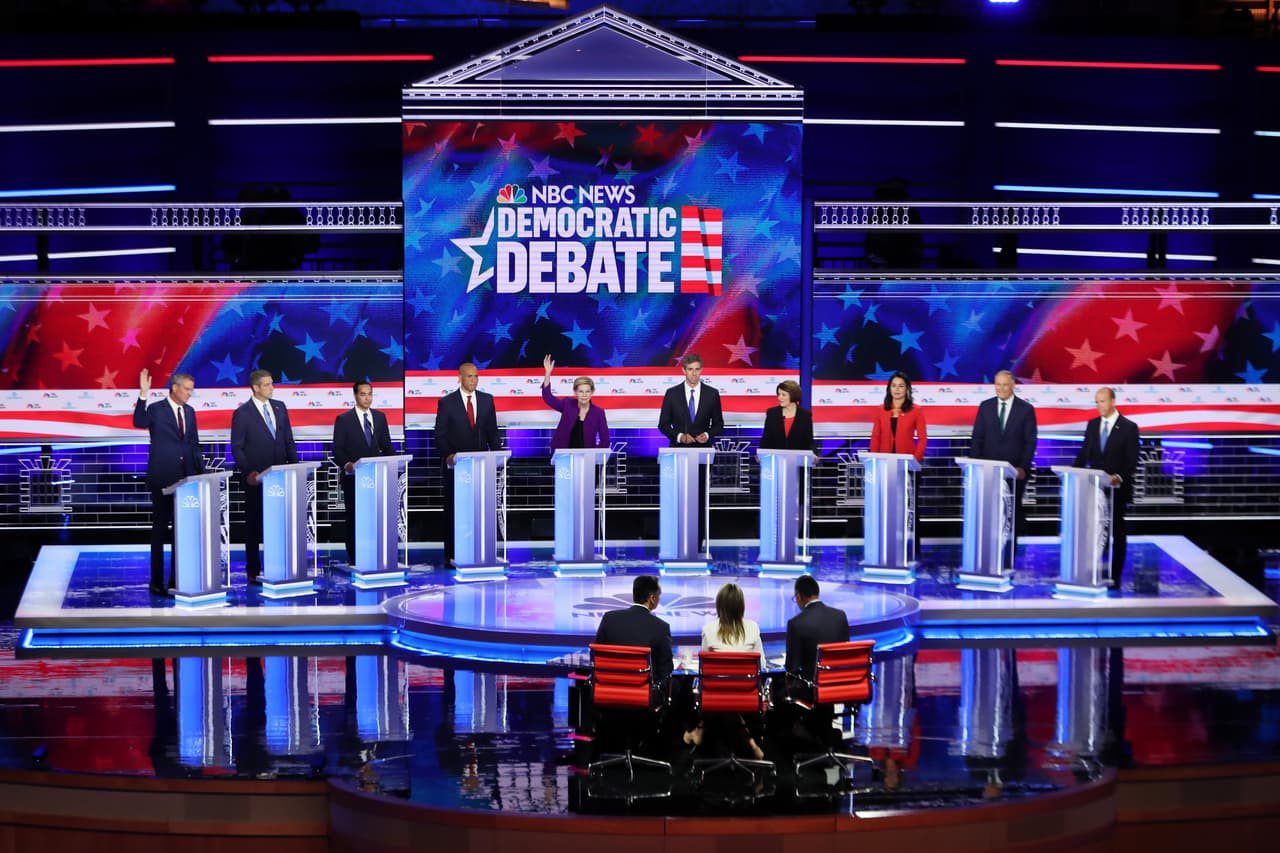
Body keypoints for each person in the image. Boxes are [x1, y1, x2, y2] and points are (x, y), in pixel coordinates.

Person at [133, 368, 204, 597]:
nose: (189, 394)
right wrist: (143, 394)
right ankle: (156, 582)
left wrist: (201, 475)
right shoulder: (156, 409)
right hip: (162, 479)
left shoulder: (190, 412)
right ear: (174, 388)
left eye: (191, 390)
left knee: (180, 533)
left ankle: (176, 581)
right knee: (160, 530)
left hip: (186, 481)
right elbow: (139, 421)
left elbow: (194, 445)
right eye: (186, 389)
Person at [230, 369, 298, 586]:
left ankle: (278, 566)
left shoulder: (280, 407)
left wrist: (294, 467)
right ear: (256, 388)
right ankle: (253, 569)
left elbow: (288, 440)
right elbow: (237, 447)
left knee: (279, 524)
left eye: (272, 383)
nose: (272, 388)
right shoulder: (243, 413)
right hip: (256, 479)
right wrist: (249, 472)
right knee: (254, 526)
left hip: (280, 478)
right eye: (267, 385)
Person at [434, 361, 501, 566]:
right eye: (469, 376)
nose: (473, 380)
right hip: (457, 467)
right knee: (455, 510)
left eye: (476, 376)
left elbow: (492, 433)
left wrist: (497, 456)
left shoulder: (487, 400)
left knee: (482, 509)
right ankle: (452, 555)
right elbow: (440, 434)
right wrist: (449, 456)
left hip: (482, 467)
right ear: (460, 377)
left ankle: (483, 551)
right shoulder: (447, 402)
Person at [1072, 387, 1140, 589]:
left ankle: (1115, 577)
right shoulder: (1092, 425)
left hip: (1117, 490)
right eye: (1097, 402)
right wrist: (1073, 472)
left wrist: (1118, 477)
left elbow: (1132, 460)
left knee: (1116, 531)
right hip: (1095, 489)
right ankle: (1095, 571)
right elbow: (1085, 454)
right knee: (1095, 531)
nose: (1099, 405)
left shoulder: (1128, 427)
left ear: (1112, 401)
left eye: (1102, 401)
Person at [692, 582, 766, 759]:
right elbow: (762, 665)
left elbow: (702, 670)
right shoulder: (753, 628)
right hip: (747, 694)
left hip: (716, 696)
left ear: (719, 606)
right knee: (732, 698)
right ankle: (751, 744)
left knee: (722, 695)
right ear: (741, 606)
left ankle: (700, 730)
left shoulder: (709, 630)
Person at [332, 380, 396, 565]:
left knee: (374, 517)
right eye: (363, 394)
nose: (367, 398)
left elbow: (386, 446)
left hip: (376, 477)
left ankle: (375, 553)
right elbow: (338, 449)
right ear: (355, 396)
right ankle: (354, 558)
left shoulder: (380, 417)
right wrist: (347, 465)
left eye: (370, 394)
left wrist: (394, 461)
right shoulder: (344, 420)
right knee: (354, 517)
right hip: (354, 478)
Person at [969, 370, 1038, 542]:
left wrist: (1023, 466)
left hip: (1014, 472)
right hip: (988, 471)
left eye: (1005, 384)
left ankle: (1008, 555)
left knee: (1011, 512)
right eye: (997, 384)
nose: (1001, 388)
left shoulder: (1026, 409)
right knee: (988, 512)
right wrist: (974, 465)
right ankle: (987, 550)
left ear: (1013, 385)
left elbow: (1030, 441)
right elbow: (977, 438)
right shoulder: (985, 406)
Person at [594, 574, 673, 683]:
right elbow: (665, 670)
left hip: (609, 688)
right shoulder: (661, 627)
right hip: (642, 693)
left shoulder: (609, 618)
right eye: (659, 595)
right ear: (652, 598)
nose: (659, 599)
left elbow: (595, 656)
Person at [784, 574, 851, 683]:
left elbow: (792, 667)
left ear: (799, 596)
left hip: (813, 688)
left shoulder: (796, 623)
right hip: (840, 683)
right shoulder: (840, 616)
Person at [541, 354, 609, 450]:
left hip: (587, 456)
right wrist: (548, 373)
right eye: (581, 391)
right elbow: (548, 397)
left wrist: (594, 455)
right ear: (575, 392)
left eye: (587, 391)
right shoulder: (567, 404)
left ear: (592, 392)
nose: (584, 395)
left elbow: (605, 440)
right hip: (563, 454)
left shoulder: (598, 412)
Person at [657, 352, 724, 447]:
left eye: (697, 369)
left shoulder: (712, 394)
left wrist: (707, 435)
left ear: (701, 370)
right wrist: (680, 437)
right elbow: (663, 425)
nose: (694, 373)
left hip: (703, 450)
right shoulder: (672, 393)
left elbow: (718, 424)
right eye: (690, 369)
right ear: (684, 371)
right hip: (678, 450)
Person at [869, 371, 926, 462]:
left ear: (907, 389)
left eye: (901, 386)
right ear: (889, 389)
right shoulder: (881, 409)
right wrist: (874, 460)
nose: (897, 389)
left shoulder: (916, 410)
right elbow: (876, 437)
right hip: (884, 460)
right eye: (894, 386)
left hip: (907, 460)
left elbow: (922, 439)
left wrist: (915, 459)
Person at [761, 379, 815, 451]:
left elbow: (809, 441)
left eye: (783, 395)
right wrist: (760, 454)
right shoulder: (772, 413)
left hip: (797, 459)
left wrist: (814, 454)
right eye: (778, 394)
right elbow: (766, 439)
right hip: (776, 459)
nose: (779, 398)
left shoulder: (805, 415)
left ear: (793, 395)